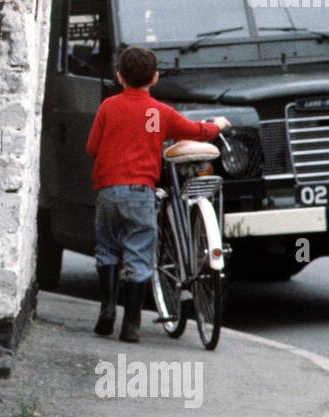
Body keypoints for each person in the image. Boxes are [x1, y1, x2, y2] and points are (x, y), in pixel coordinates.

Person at [85, 46, 229, 342]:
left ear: (119, 77)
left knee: (108, 250)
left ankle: (107, 309)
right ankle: (131, 325)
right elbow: (195, 130)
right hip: (141, 193)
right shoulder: (160, 112)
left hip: (108, 191)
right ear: (155, 78)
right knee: (138, 255)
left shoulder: (108, 107)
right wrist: (217, 125)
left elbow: (91, 148)